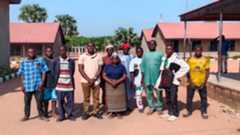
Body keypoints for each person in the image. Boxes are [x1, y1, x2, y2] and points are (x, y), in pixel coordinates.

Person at [155, 44, 189, 121]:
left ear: (173, 50)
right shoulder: (164, 58)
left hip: (173, 82)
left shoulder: (176, 59)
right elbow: (162, 69)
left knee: (173, 97)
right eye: (167, 49)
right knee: (168, 98)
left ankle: (175, 114)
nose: (168, 51)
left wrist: (177, 75)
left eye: (170, 49)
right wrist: (159, 81)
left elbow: (186, 67)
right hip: (166, 81)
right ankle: (170, 112)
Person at [18, 48, 49, 122]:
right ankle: (26, 115)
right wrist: (23, 84)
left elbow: (44, 71)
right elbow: (21, 73)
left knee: (39, 101)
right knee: (27, 102)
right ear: (27, 53)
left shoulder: (40, 60)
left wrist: (42, 82)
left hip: (38, 85)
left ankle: (41, 115)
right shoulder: (23, 62)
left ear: (35, 52)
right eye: (29, 52)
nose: (31, 53)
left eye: (33, 52)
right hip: (27, 85)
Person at [184, 45, 210, 119]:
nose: (198, 51)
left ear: (202, 51)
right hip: (191, 82)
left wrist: (204, 82)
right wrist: (190, 81)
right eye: (196, 50)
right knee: (189, 97)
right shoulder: (190, 59)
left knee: (203, 98)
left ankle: (204, 111)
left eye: (199, 50)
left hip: (201, 82)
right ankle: (188, 110)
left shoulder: (205, 59)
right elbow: (187, 71)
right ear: (194, 51)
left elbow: (207, 71)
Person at [79, 43, 103, 120]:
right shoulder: (82, 56)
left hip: (96, 81)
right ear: (86, 47)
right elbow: (80, 69)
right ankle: (86, 112)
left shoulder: (98, 56)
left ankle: (96, 111)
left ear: (94, 47)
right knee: (86, 98)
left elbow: (100, 68)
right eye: (89, 46)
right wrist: (89, 79)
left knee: (96, 98)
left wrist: (94, 78)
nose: (90, 47)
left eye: (92, 46)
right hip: (85, 81)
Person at [141, 40, 164, 115]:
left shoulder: (160, 54)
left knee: (159, 92)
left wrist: (162, 76)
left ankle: (159, 107)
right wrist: (142, 77)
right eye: (150, 44)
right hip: (147, 77)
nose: (151, 45)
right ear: (148, 46)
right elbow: (142, 66)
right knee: (149, 93)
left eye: (153, 44)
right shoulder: (145, 55)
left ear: (156, 45)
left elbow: (163, 65)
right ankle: (151, 107)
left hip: (157, 77)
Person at [53, 46, 75, 122]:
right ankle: (61, 116)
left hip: (69, 85)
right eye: (61, 50)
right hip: (59, 85)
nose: (62, 52)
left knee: (70, 102)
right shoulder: (56, 61)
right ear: (59, 51)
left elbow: (72, 72)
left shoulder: (71, 61)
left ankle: (69, 114)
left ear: (66, 51)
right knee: (60, 101)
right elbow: (54, 72)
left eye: (64, 50)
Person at [102, 52, 127, 118]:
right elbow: (104, 75)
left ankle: (119, 112)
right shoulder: (107, 66)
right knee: (111, 99)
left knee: (119, 99)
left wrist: (117, 81)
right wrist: (111, 81)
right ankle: (112, 112)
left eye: (116, 58)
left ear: (118, 59)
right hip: (109, 84)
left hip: (120, 84)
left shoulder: (122, 66)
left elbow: (124, 76)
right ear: (111, 59)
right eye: (113, 58)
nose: (115, 60)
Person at [42, 47, 57, 119]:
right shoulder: (42, 60)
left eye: (50, 51)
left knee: (54, 98)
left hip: (54, 83)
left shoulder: (55, 60)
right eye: (47, 51)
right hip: (46, 84)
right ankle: (45, 113)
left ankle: (53, 112)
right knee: (46, 99)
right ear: (45, 52)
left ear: (52, 52)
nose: (49, 52)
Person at [119, 42, 134, 110]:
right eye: (124, 49)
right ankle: (123, 106)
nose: (126, 50)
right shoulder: (120, 57)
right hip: (122, 77)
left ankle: (129, 106)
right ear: (122, 49)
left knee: (130, 92)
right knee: (123, 91)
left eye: (127, 49)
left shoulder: (131, 56)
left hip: (130, 76)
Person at [129, 47, 144, 113]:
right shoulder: (133, 61)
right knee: (138, 94)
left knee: (149, 93)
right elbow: (131, 72)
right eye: (138, 51)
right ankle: (140, 106)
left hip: (146, 80)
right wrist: (132, 81)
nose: (139, 52)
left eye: (140, 51)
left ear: (142, 52)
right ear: (136, 52)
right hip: (137, 80)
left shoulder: (145, 60)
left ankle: (151, 105)